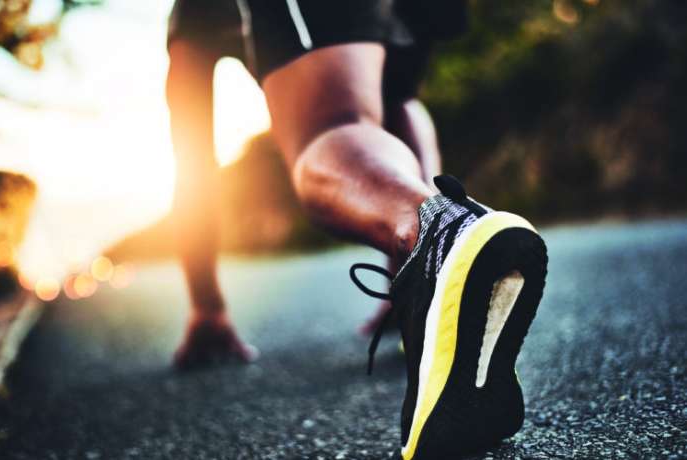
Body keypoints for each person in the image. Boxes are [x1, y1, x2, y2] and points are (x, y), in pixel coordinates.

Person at [166, 1, 548, 458]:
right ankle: (430, 273)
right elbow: (397, 102)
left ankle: (440, 237)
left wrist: (206, 306)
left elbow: (192, 165)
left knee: (333, 123)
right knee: (392, 98)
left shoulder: (190, 17)